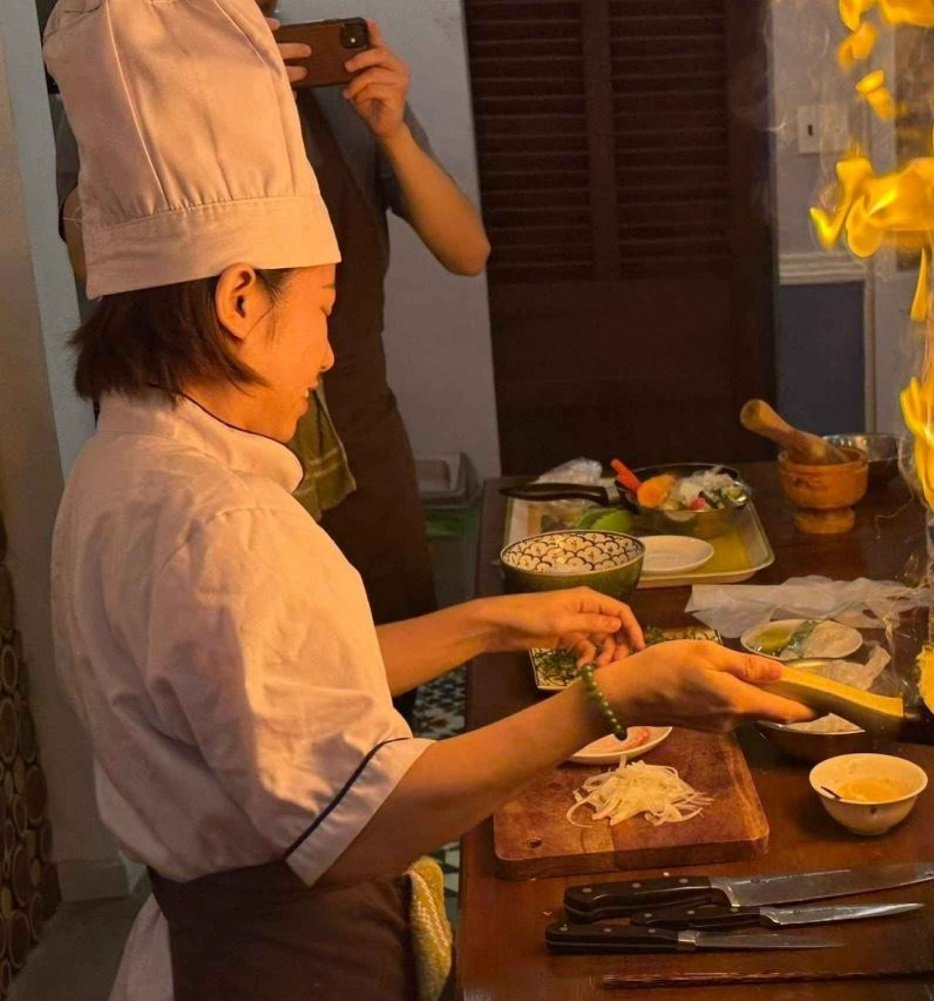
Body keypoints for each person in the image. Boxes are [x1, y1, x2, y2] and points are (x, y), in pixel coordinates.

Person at [42, 3, 813, 999]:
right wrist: (614, 696)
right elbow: (367, 815)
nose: (327, 355)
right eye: (322, 307)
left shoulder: (128, 465)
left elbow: (272, 687)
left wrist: (496, 621)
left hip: (219, 937)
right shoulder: (226, 524)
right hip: (293, 962)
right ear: (240, 299)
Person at [55, 0, 489, 722]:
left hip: (357, 433)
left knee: (386, 670)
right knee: (261, 694)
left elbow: (468, 251)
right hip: (220, 431)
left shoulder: (341, 104)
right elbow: (93, 263)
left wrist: (391, 132)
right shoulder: (129, 87)